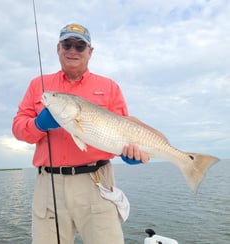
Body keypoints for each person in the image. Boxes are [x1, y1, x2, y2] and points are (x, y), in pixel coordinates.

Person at [12, 23, 149, 244]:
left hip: (96, 182)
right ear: (58, 48)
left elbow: (125, 129)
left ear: (90, 52)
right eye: (67, 44)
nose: (73, 51)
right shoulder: (38, 85)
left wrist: (130, 153)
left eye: (80, 46)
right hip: (49, 185)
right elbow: (19, 129)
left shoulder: (109, 87)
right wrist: (39, 124)